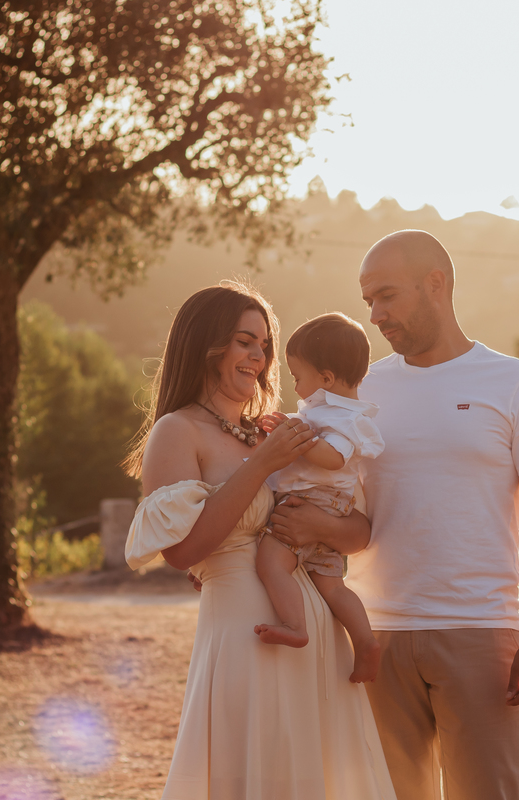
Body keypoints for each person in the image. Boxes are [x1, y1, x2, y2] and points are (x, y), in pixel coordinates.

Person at [271, 230, 519, 800]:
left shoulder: (514, 384)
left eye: (387, 296)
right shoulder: (358, 393)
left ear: (436, 284)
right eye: (368, 302)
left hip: (480, 635)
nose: (376, 315)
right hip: (373, 634)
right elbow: (327, 499)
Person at [123, 283, 397, 800]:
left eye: (264, 346)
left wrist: (319, 527)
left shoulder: (272, 432)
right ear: (207, 345)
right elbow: (182, 552)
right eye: (245, 341)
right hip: (248, 637)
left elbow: (360, 531)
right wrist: (263, 465)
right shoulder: (177, 431)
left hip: (318, 635)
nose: (259, 357)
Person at [253, 312, 385, 684]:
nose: (296, 387)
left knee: (271, 565)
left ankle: (295, 626)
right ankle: (366, 641)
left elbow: (333, 457)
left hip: (312, 501)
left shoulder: (342, 418)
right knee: (331, 585)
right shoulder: (330, 412)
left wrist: (297, 440)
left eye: (298, 377)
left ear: (326, 378)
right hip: (331, 507)